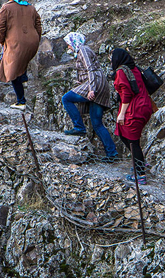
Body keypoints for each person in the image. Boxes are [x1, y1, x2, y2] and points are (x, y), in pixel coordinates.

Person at [61, 32, 118, 162]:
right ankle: (112, 153)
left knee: (66, 98)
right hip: (99, 84)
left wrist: (92, 89)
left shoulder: (83, 50)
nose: (68, 47)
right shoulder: (81, 51)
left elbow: (90, 69)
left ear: (74, 42)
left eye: (69, 44)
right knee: (97, 123)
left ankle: (79, 127)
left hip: (94, 84)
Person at [0, 0, 42, 110]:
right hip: (33, 42)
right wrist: (36, 38)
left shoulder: (6, 8)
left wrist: (1, 40)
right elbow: (38, 25)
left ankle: (21, 101)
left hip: (16, 43)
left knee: (12, 70)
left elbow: (0, 27)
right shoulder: (31, 7)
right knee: (23, 58)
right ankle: (24, 77)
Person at [111, 48, 154, 185]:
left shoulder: (121, 71)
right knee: (125, 135)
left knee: (132, 141)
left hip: (135, 109)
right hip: (144, 106)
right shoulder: (133, 68)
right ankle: (139, 161)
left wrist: (121, 114)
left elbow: (127, 94)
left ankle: (140, 175)